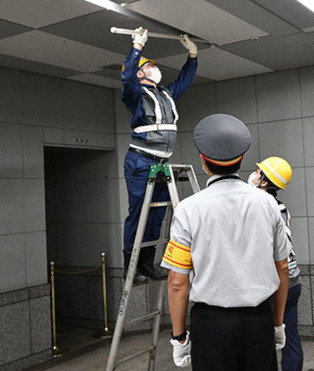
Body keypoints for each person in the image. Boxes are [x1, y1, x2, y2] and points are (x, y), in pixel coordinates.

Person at [160, 114, 290, 370]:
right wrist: (277, 324)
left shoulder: (188, 209)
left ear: (203, 161)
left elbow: (177, 282)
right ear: (240, 160)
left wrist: (179, 337)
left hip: (211, 326)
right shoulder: (268, 204)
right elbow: (283, 268)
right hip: (258, 322)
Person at [120, 27, 197, 280]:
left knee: (156, 214)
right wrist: (137, 47)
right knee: (140, 211)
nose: (154, 67)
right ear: (140, 72)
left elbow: (185, 80)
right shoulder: (135, 94)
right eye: (148, 65)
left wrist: (192, 54)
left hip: (162, 163)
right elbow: (127, 77)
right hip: (141, 160)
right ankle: (130, 265)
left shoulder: (166, 93)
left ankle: (146, 263)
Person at [248, 157, 304, 371]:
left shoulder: (260, 209)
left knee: (264, 340)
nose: (253, 174)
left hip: (275, 283)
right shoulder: (280, 206)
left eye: (258, 171)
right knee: (290, 339)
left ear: (263, 182)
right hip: (293, 280)